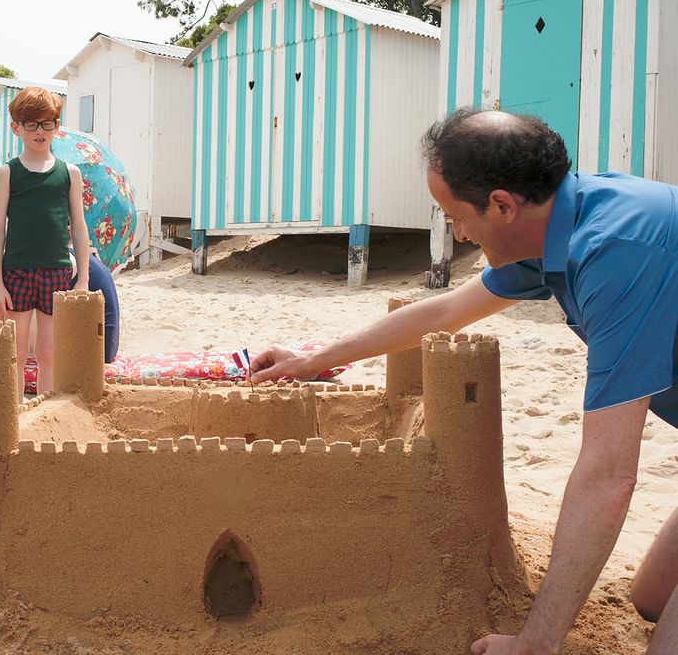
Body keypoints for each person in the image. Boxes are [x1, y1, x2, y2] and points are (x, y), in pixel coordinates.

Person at [249, 108, 677, 655]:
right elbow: (443, 314)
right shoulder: (555, 225)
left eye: (454, 216)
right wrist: (312, 360)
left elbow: (609, 475)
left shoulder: (616, 251)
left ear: (501, 204)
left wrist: (536, 642)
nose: (458, 232)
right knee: (649, 599)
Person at [0, 87, 90, 397]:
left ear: (57, 126)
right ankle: (16, 418)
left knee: (49, 353)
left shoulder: (69, 173)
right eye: (31, 123)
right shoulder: (7, 173)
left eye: (47, 123)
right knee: (16, 354)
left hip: (56, 271)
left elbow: (79, 228)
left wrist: (83, 276)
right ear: (15, 127)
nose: (39, 131)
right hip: (16, 272)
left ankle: (45, 418)